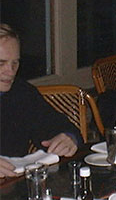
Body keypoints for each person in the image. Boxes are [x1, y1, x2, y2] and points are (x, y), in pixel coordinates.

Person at [0, 24, 81, 177]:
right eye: (1, 63)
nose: (10, 71)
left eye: (15, 63)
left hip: (15, 190)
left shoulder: (22, 92)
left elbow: (55, 125)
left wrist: (67, 137)